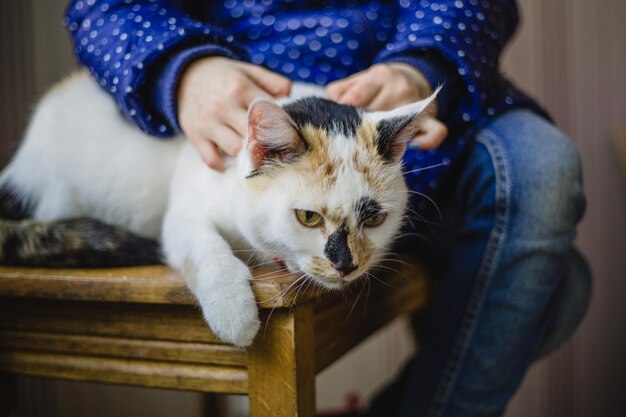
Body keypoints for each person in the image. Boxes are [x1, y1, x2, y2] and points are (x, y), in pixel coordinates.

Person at [63, 1, 591, 416]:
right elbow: (103, 7)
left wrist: (422, 63)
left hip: (414, 116)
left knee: (545, 168)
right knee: (563, 289)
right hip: (266, 106)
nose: (347, 262)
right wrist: (183, 68)